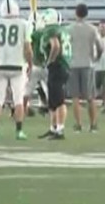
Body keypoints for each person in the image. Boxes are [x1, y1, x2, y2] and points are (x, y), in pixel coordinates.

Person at [0, 0, 33, 140]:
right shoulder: (24, 24)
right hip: (18, 65)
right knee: (18, 100)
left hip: (0, 65)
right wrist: (30, 64)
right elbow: (28, 48)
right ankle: (19, 131)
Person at [66, 4, 102, 133]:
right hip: (87, 64)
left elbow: (65, 47)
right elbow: (100, 46)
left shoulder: (69, 29)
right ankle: (93, 125)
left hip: (73, 64)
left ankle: (78, 124)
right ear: (86, 14)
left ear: (76, 14)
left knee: (75, 97)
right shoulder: (92, 29)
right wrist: (96, 57)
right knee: (90, 97)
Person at [39, 8, 71, 140]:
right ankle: (53, 129)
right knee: (52, 101)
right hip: (62, 66)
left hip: (57, 66)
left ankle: (60, 130)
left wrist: (50, 61)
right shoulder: (63, 30)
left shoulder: (51, 30)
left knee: (59, 101)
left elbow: (56, 46)